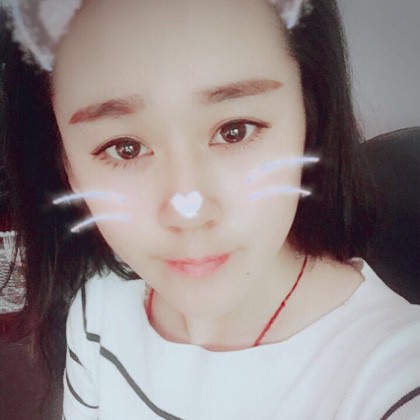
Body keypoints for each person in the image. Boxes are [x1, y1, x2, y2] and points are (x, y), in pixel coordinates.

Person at [1, 0, 419, 418]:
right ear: (68, 169)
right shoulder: (97, 309)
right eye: (125, 148)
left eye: (235, 131)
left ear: (309, 122)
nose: (189, 212)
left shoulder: (394, 380)